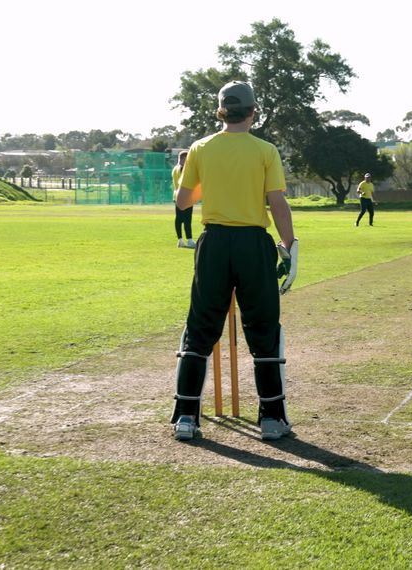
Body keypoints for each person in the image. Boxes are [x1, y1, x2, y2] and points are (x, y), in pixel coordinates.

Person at [170, 80, 298, 442]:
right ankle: (272, 419)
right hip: (254, 243)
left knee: (200, 328)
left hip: (214, 243)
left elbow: (183, 201)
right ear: (253, 111)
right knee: (263, 327)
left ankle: (185, 417)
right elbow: (277, 203)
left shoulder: (200, 148)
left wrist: (186, 173)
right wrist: (290, 246)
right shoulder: (265, 150)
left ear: (221, 110)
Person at [171, 151, 196, 248]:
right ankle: (189, 240)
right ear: (182, 159)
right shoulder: (183, 169)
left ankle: (180, 240)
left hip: (176, 196)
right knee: (187, 219)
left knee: (179, 218)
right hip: (186, 196)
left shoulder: (174, 169)